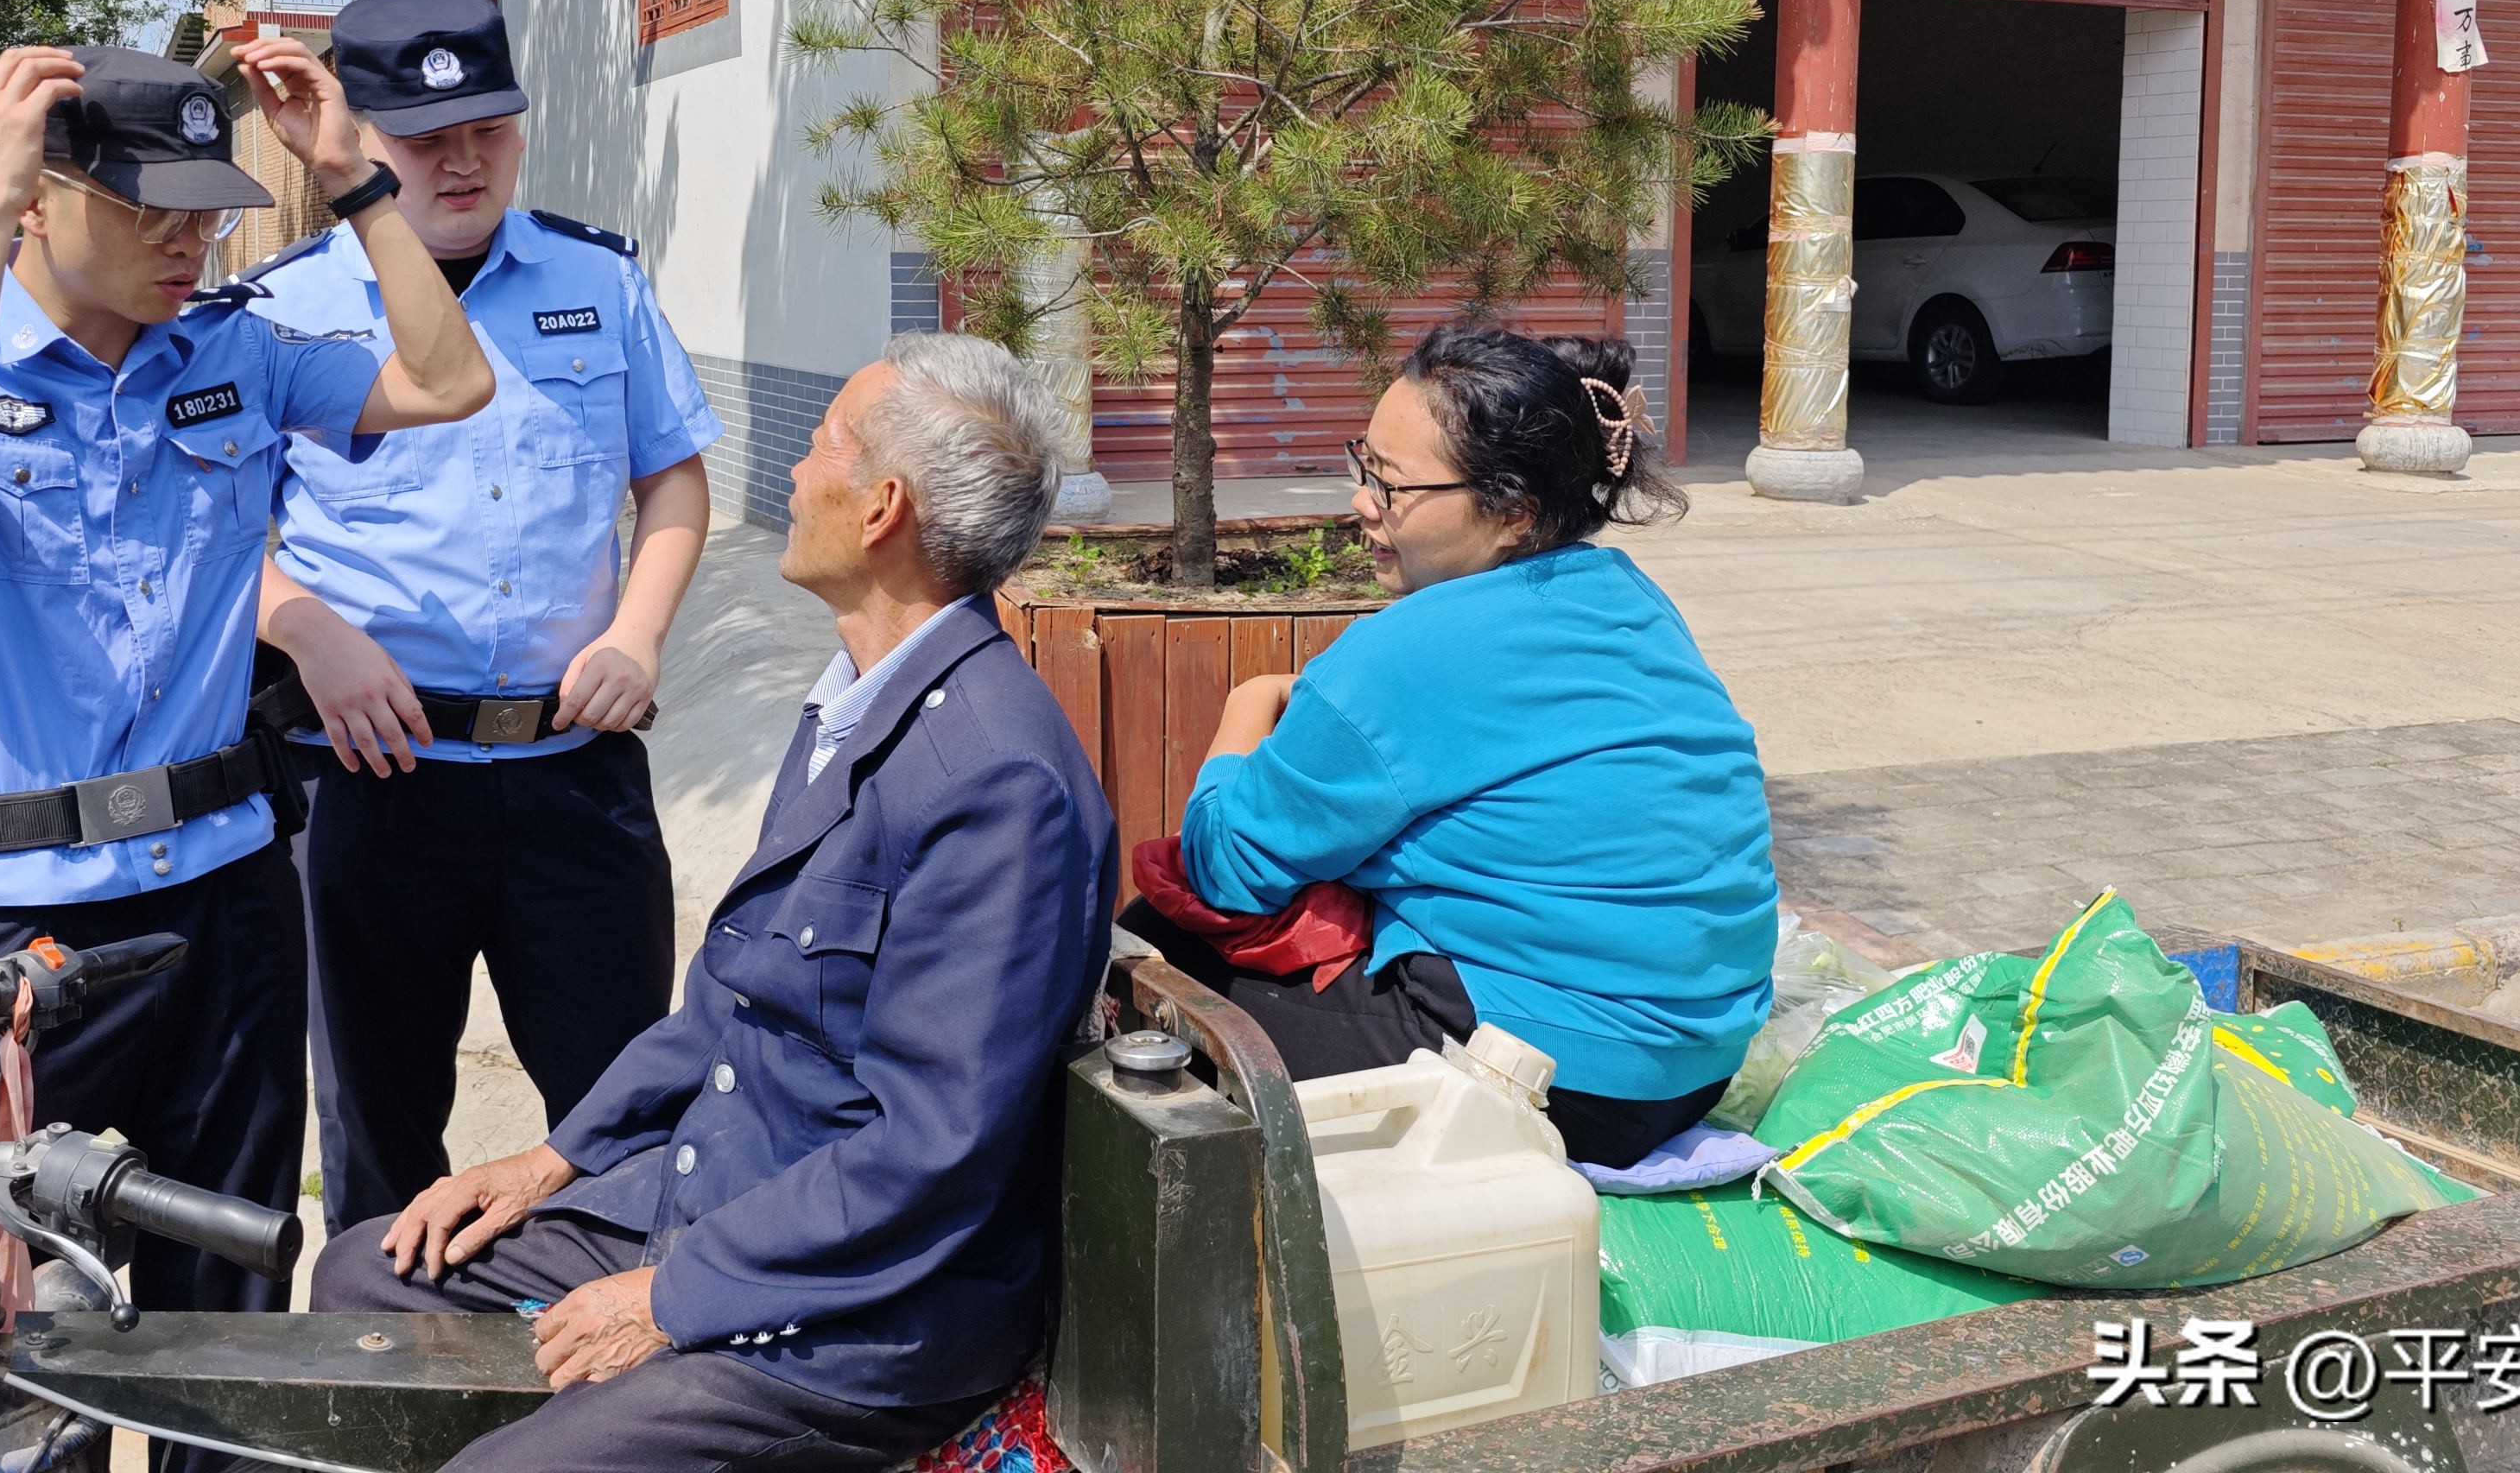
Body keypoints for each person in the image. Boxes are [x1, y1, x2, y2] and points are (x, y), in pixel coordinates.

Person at [0, 41, 493, 1457]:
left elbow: (447, 382)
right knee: (2, 1323)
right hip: (16, 938)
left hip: (224, 912)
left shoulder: (235, 353)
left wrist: (359, 185)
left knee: (227, 1308)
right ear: (43, 197)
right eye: (148, 210)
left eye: (205, 210)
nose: (190, 241)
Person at [310, 334, 1117, 1473]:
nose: (791, 468)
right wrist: (554, 1163)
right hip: (729, 1195)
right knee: (370, 1273)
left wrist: (673, 1298)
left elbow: (928, 1151)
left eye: (823, 439)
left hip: (853, 1316)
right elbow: (726, 1010)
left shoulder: (995, 779)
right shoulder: (861, 703)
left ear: (882, 506)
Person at [244, 0, 724, 1234]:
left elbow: (670, 476)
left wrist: (637, 634)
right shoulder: (288, 309)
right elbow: (218, 537)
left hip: (574, 775)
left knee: (621, 1117)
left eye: (489, 130)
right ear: (357, 138)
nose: (462, 162)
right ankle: (394, 1383)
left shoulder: (596, 279)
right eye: (423, 138)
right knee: (378, 1127)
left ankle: (612, 1381)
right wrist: (306, 628)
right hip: (373, 780)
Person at [1125, 323, 1779, 1171]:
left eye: (1390, 485)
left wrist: (1247, 707)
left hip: (1561, 1078)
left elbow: (1223, 867)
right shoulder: (1627, 596)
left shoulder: (1410, 649)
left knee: (1149, 946)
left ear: (1512, 512)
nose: (1361, 500)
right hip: (1699, 1056)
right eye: (1363, 463)